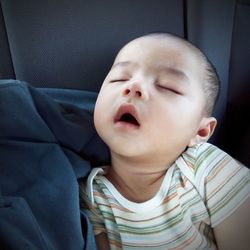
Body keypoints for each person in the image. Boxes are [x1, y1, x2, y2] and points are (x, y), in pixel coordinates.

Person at [79, 33, 250, 250]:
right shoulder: (92, 194)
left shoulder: (207, 168)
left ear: (200, 130)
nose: (133, 87)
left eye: (169, 87)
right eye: (120, 78)